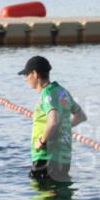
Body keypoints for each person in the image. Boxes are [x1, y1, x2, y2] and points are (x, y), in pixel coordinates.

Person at [19, 55, 87, 184]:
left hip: (46, 156)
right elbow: (81, 116)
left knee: (41, 193)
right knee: (61, 193)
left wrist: (42, 141)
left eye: (27, 75)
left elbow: (53, 120)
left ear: (35, 74)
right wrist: (62, 127)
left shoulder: (47, 93)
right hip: (64, 157)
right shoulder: (62, 92)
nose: (26, 79)